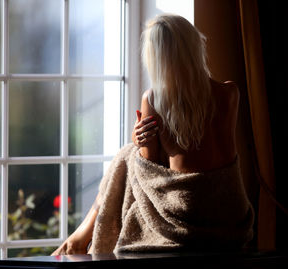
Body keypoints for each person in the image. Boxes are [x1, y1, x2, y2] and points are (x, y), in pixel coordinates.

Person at [52, 14, 253, 256]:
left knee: (127, 156)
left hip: (187, 218)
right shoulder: (230, 93)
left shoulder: (154, 100)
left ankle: (83, 235)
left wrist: (139, 146)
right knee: (130, 154)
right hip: (229, 215)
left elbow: (151, 169)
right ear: (194, 46)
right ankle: (82, 235)